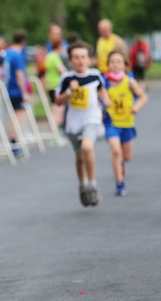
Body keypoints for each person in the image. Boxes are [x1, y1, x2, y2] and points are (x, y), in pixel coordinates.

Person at [55, 41, 111, 207]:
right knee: (80, 157)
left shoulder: (95, 75)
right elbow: (58, 101)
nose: (80, 60)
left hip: (92, 119)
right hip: (73, 123)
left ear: (89, 59)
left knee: (88, 147)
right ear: (71, 61)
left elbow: (101, 90)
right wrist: (69, 92)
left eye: (83, 57)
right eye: (76, 58)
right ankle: (83, 185)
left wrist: (106, 100)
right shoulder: (67, 78)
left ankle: (92, 184)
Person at [103, 50, 148, 196]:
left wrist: (136, 107)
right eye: (112, 62)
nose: (115, 65)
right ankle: (120, 183)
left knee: (126, 157)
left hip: (127, 122)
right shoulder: (103, 82)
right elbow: (96, 98)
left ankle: (121, 164)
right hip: (111, 123)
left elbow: (143, 96)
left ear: (124, 65)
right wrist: (103, 101)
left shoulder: (129, 81)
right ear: (108, 65)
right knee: (116, 151)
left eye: (118, 62)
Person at [4, 30, 31, 152]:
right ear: (23, 41)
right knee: (19, 114)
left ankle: (13, 140)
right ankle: (14, 141)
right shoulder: (17, 54)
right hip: (16, 90)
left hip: (8, 88)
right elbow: (19, 74)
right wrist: (24, 91)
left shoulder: (7, 53)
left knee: (14, 114)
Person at [45, 39, 67, 126]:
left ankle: (53, 130)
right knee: (58, 110)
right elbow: (62, 71)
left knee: (54, 108)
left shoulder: (48, 56)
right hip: (57, 86)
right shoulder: (55, 57)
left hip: (50, 85)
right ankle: (55, 131)